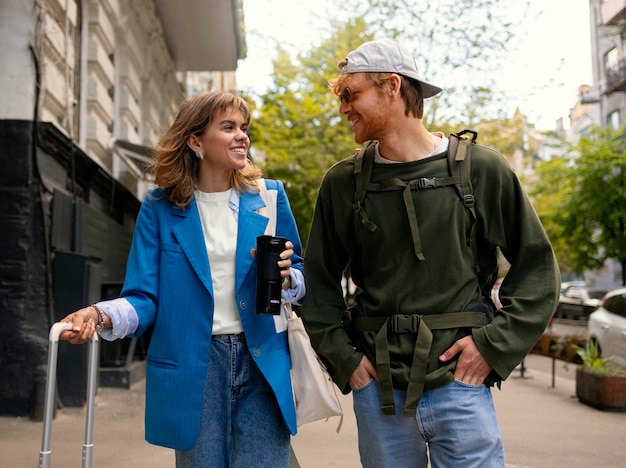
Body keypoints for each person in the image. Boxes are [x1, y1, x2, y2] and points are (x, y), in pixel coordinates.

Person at [302, 38, 560, 467]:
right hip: (379, 390)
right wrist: (345, 360)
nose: (343, 108)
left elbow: (537, 269)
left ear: (392, 87)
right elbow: (319, 282)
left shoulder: (481, 168)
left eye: (351, 94)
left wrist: (493, 346)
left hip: (461, 385)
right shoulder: (343, 183)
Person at [59, 91, 305, 467]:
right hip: (195, 367)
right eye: (228, 127)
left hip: (262, 364)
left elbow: (301, 273)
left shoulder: (269, 197)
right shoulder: (159, 208)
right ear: (195, 141)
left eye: (244, 128)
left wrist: (289, 278)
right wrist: (99, 314)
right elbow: (144, 296)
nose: (242, 136)